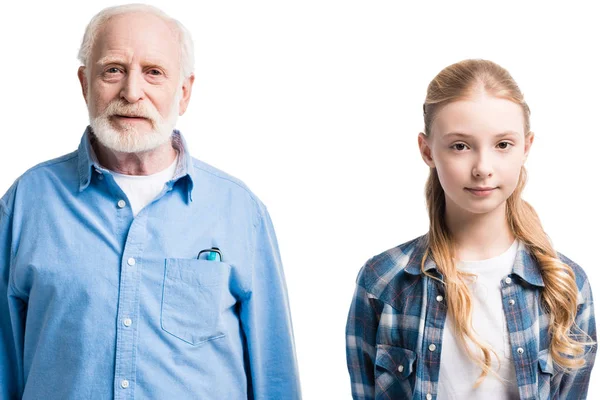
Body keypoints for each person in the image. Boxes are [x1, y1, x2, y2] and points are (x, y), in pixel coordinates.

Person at [0, 4, 300, 399]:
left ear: (184, 91)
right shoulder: (26, 203)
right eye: (113, 70)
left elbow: (274, 375)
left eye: (153, 72)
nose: (131, 92)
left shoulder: (240, 212)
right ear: (84, 83)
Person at [345, 59, 596, 399]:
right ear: (427, 150)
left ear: (526, 147)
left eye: (502, 145)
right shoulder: (382, 281)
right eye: (460, 146)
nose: (482, 168)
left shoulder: (565, 286)